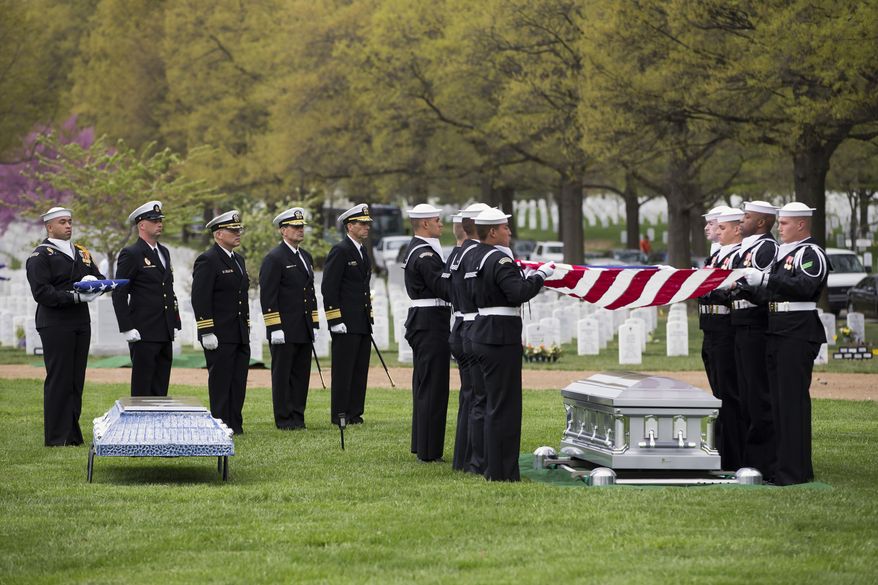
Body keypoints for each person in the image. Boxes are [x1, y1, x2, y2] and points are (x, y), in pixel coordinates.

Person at [742, 202, 828, 485]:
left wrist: (766, 278)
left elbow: (805, 286)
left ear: (802, 224)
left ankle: (795, 472)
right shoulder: (783, 255)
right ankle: (780, 468)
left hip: (797, 332)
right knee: (777, 404)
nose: (779, 227)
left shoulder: (810, 253)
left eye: (785, 223)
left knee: (792, 404)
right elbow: (771, 294)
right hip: (777, 329)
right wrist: (745, 287)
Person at [465, 207, 553, 481]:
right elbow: (517, 293)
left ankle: (491, 466)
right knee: (505, 407)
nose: (509, 232)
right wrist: (540, 276)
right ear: (492, 232)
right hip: (499, 337)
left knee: (491, 403)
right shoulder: (499, 260)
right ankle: (502, 472)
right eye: (505, 227)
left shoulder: (474, 255)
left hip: (481, 332)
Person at [26, 206, 104, 446]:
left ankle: (72, 434)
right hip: (55, 322)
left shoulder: (81, 252)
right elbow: (42, 293)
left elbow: (98, 277)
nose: (68, 226)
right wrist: (75, 297)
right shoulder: (40, 256)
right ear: (49, 227)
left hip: (80, 320)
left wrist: (98, 285)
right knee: (59, 378)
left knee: (75, 379)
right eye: (62, 222)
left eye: (70, 221)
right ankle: (56, 436)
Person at [729, 200, 778, 478]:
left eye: (746, 217)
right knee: (746, 396)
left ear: (761, 222)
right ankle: (749, 457)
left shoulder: (766, 248)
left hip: (754, 325)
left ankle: (763, 461)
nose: (741, 221)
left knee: (757, 396)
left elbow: (762, 285)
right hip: (739, 323)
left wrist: (740, 289)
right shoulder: (746, 248)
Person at [112, 201, 181, 396]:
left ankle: (158, 425)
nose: (159, 223)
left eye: (160, 220)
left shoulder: (164, 252)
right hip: (143, 330)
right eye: (154, 220)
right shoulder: (131, 254)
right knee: (143, 385)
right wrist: (126, 327)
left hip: (164, 329)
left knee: (161, 384)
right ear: (142, 225)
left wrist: (174, 321)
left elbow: (168, 288)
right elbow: (119, 292)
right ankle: (140, 426)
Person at [259, 207, 318, 430]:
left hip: (303, 327)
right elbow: (268, 295)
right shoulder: (274, 258)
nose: (300, 230)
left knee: (301, 374)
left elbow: (308, 293)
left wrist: (314, 322)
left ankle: (298, 416)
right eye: (295, 227)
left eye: (302, 226)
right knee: (283, 375)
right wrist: (274, 326)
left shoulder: (305, 256)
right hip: (283, 328)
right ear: (283, 230)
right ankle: (284, 418)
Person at [191, 210, 250, 434]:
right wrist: (206, 330)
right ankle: (220, 422)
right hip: (220, 334)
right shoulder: (208, 259)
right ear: (218, 234)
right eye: (233, 230)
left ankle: (235, 422)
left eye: (239, 230)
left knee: (238, 381)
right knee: (221, 382)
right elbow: (200, 297)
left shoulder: (239, 260)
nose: (238, 234)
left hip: (239, 332)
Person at [402, 203, 452, 462]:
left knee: (425, 385)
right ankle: (430, 451)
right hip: (430, 322)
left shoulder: (421, 250)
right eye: (437, 221)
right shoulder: (425, 254)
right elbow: (443, 287)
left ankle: (423, 445)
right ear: (424, 224)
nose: (441, 225)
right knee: (433, 387)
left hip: (427, 321)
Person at [698, 205, 744, 470]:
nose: (711, 229)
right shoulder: (717, 257)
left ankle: (733, 456)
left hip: (726, 327)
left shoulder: (737, 255)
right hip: (711, 326)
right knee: (719, 394)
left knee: (729, 394)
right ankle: (722, 450)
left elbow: (727, 290)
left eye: (717, 225)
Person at [447, 202, 490, 473]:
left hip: (460, 325)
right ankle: (477, 460)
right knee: (479, 398)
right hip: (475, 327)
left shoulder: (458, 253)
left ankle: (463, 458)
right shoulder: (477, 255)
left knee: (469, 397)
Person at [322, 204, 373, 425]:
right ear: (350, 226)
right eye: (362, 223)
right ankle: (340, 413)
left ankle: (355, 413)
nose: (366, 227)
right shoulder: (340, 250)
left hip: (361, 321)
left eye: (367, 223)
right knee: (343, 370)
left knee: (359, 369)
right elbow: (329, 288)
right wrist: (335, 319)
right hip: (344, 322)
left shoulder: (362, 251)